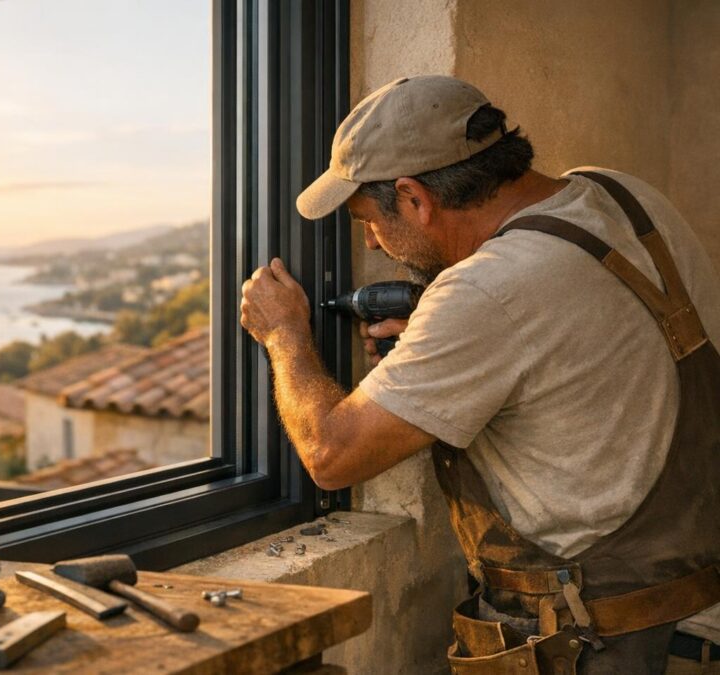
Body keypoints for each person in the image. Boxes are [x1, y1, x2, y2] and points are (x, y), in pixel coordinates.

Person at [239, 75, 720, 674]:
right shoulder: (620, 193)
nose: (371, 240)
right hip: (697, 612)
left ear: (415, 198)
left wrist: (284, 333)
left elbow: (332, 455)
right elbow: (580, 327)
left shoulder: (485, 291)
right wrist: (455, 346)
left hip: (598, 643)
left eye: (370, 219)